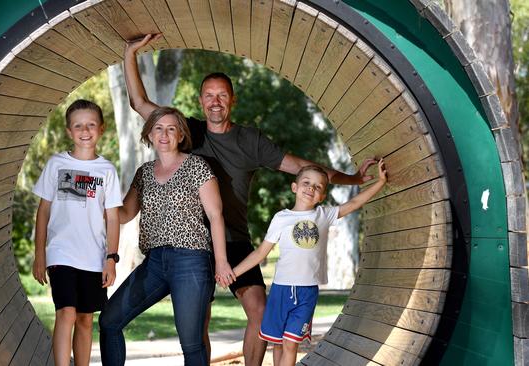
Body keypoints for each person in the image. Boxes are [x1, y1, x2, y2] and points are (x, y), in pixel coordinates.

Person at [124, 34, 377, 365]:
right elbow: (139, 103)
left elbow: (303, 167)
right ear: (201, 101)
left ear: (233, 100)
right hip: (195, 244)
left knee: (259, 312)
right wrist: (130, 53)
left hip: (236, 240)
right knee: (198, 325)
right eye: (209, 96)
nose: (216, 101)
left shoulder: (250, 140)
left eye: (222, 96)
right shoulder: (187, 131)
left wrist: (353, 178)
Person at [98, 106, 235, 366]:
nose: (164, 134)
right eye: (158, 128)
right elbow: (125, 213)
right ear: (149, 134)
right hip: (154, 263)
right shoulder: (144, 173)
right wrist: (99, 201)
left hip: (191, 261)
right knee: (109, 320)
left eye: (171, 128)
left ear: (181, 135)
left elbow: (216, 216)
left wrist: (221, 261)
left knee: (191, 342)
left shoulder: (197, 166)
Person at [230, 161, 387, 366]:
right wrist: (233, 273)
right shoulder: (281, 218)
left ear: (322, 196)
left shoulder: (323, 215)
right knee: (278, 343)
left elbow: (354, 203)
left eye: (318, 187)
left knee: (290, 344)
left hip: (306, 293)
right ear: (294, 187)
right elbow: (260, 253)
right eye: (306, 183)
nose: (311, 188)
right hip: (281, 291)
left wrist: (381, 182)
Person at [32, 99, 122, 366]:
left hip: (93, 257)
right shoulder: (56, 164)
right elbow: (43, 212)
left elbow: (113, 217)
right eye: (78, 126)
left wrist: (111, 258)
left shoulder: (106, 170)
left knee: (85, 319)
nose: (85, 131)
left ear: (101, 129)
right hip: (61, 254)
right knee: (66, 313)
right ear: (69, 131)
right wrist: (40, 254)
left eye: (91, 125)